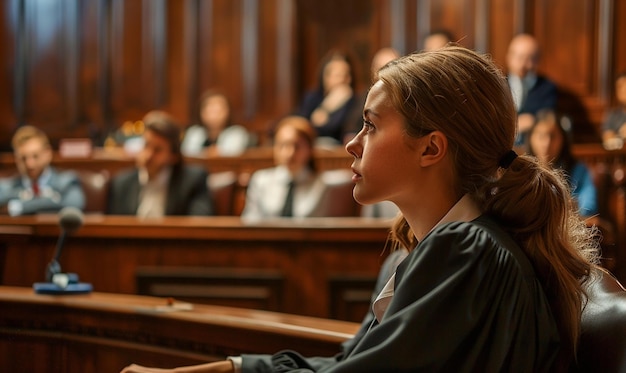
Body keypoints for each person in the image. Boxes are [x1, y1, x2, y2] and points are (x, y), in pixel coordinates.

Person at [121, 46, 600, 372]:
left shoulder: (466, 250)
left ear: (431, 148)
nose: (352, 144)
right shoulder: (457, 245)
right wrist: (227, 367)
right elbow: (351, 363)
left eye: (370, 126)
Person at [107, 110, 214, 217]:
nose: (148, 155)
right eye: (146, 145)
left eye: (157, 150)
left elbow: (200, 225)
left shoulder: (193, 181)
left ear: (173, 156)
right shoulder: (122, 183)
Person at [241, 116, 327, 220]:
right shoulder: (260, 180)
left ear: (309, 149)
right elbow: (250, 221)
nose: (289, 153)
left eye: (297, 146)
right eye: (283, 145)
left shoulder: (322, 184)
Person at [0, 125, 85, 216]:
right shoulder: (6, 187)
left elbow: (74, 205)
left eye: (35, 156)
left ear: (47, 153)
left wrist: (19, 206)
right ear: (16, 159)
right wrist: (50, 200)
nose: (30, 164)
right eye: (23, 158)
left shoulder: (67, 182)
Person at [528, 109, 598, 217]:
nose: (547, 143)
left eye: (553, 136)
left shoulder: (579, 170)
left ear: (563, 139)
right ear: (531, 138)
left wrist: (570, 206)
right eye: (541, 136)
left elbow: (589, 206)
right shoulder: (522, 170)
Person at [506, 33, 558, 146]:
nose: (524, 64)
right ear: (509, 57)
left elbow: (547, 119)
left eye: (530, 58)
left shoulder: (547, 88)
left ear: (538, 61)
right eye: (520, 57)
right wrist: (516, 124)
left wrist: (532, 121)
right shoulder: (498, 84)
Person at [296, 51, 358, 145]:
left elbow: (336, 129)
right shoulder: (312, 99)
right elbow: (304, 127)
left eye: (346, 75)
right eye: (338, 75)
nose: (343, 80)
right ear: (326, 78)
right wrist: (329, 104)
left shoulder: (355, 101)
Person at [181, 89, 251, 157]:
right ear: (201, 112)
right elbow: (186, 154)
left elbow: (233, 154)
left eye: (218, 110)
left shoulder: (237, 132)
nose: (214, 115)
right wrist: (207, 153)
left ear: (228, 111)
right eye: (210, 110)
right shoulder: (194, 132)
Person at [601, 72, 626, 150]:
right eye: (619, 87)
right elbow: (607, 136)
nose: (623, 90)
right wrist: (621, 135)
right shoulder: (612, 114)